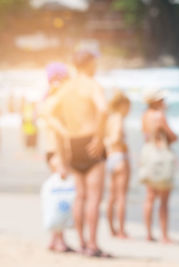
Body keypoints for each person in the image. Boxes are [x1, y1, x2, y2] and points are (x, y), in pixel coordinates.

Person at [46, 50, 109, 257]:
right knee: (93, 198)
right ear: (89, 64)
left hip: (73, 142)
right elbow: (103, 109)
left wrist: (65, 132)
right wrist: (99, 138)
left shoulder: (67, 86)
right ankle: (92, 244)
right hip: (91, 140)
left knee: (80, 197)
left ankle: (81, 243)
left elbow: (48, 112)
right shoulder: (92, 84)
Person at [42, 62, 73, 253]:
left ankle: (55, 238)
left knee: (58, 194)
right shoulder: (55, 100)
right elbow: (60, 129)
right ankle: (58, 239)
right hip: (57, 150)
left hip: (51, 149)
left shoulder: (47, 98)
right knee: (61, 195)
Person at [139, 88, 177, 243]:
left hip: (147, 152)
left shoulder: (144, 116)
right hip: (161, 153)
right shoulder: (159, 116)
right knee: (163, 199)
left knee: (150, 196)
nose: (164, 102)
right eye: (161, 100)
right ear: (155, 101)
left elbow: (145, 134)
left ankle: (148, 233)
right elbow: (172, 136)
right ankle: (164, 235)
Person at [105, 91, 131, 239]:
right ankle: (121, 230)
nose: (129, 111)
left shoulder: (108, 118)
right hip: (120, 157)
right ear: (122, 105)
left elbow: (106, 138)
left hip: (110, 158)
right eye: (128, 107)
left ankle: (112, 229)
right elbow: (115, 137)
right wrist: (123, 145)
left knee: (112, 196)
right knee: (121, 197)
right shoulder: (119, 119)